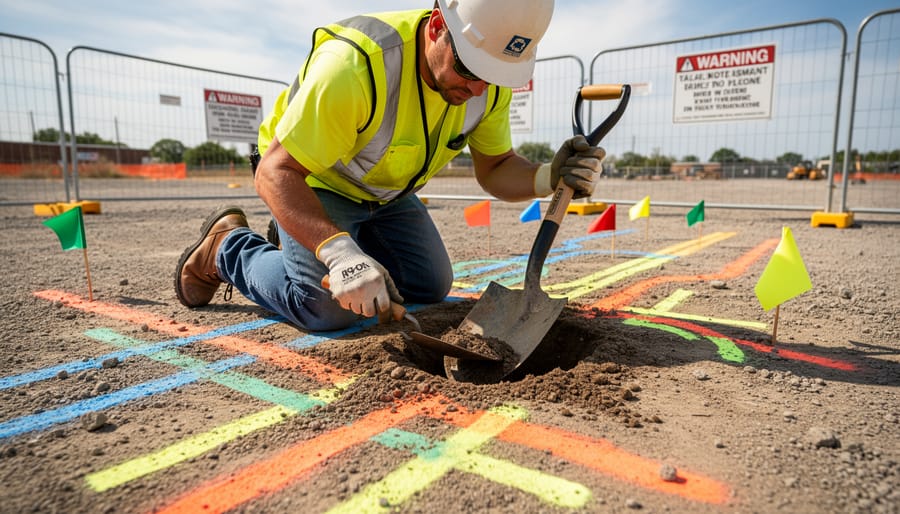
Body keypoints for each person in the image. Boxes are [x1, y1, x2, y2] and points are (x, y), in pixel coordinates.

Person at [175, 0, 605, 332]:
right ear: (438, 27)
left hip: (386, 195)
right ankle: (228, 248)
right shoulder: (355, 66)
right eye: (469, 68)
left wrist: (550, 176)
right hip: (311, 182)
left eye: (492, 76)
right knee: (324, 309)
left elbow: (496, 167)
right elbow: (275, 172)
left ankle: (301, 235)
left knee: (430, 285)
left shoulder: (486, 86)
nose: (477, 88)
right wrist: (341, 255)